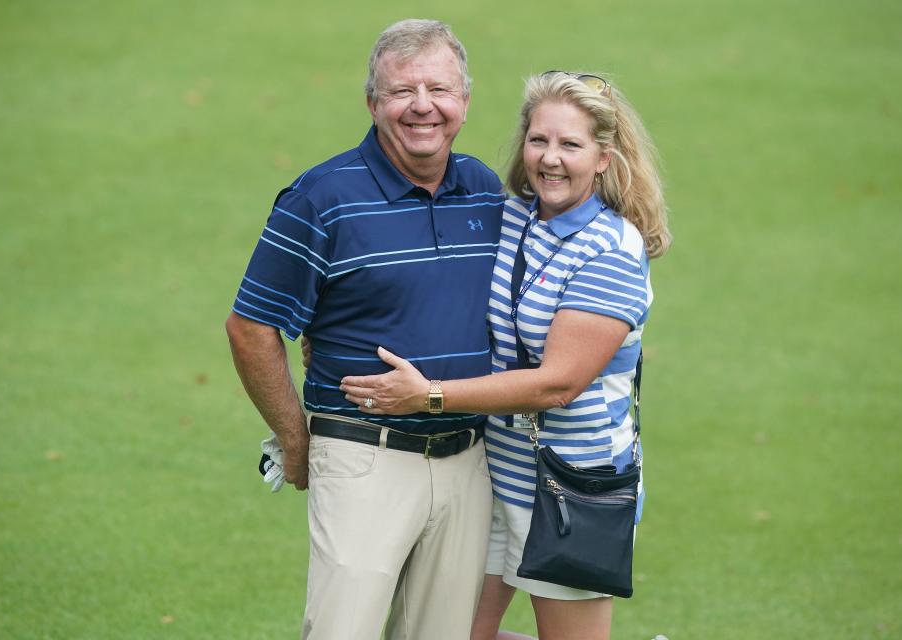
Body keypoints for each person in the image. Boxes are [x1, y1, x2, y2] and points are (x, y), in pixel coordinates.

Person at [338, 71, 671, 640]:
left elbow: (556, 385)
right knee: (438, 633)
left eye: (571, 145)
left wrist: (430, 396)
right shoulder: (510, 215)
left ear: (603, 159)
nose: (550, 159)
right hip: (493, 472)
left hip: (572, 486)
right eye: (539, 140)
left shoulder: (613, 250)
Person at [225, 19, 504, 639]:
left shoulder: (485, 190)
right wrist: (297, 440)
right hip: (364, 458)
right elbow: (251, 328)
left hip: (468, 461)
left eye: (440, 89)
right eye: (402, 90)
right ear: (373, 103)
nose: (423, 106)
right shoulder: (321, 198)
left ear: (464, 102)